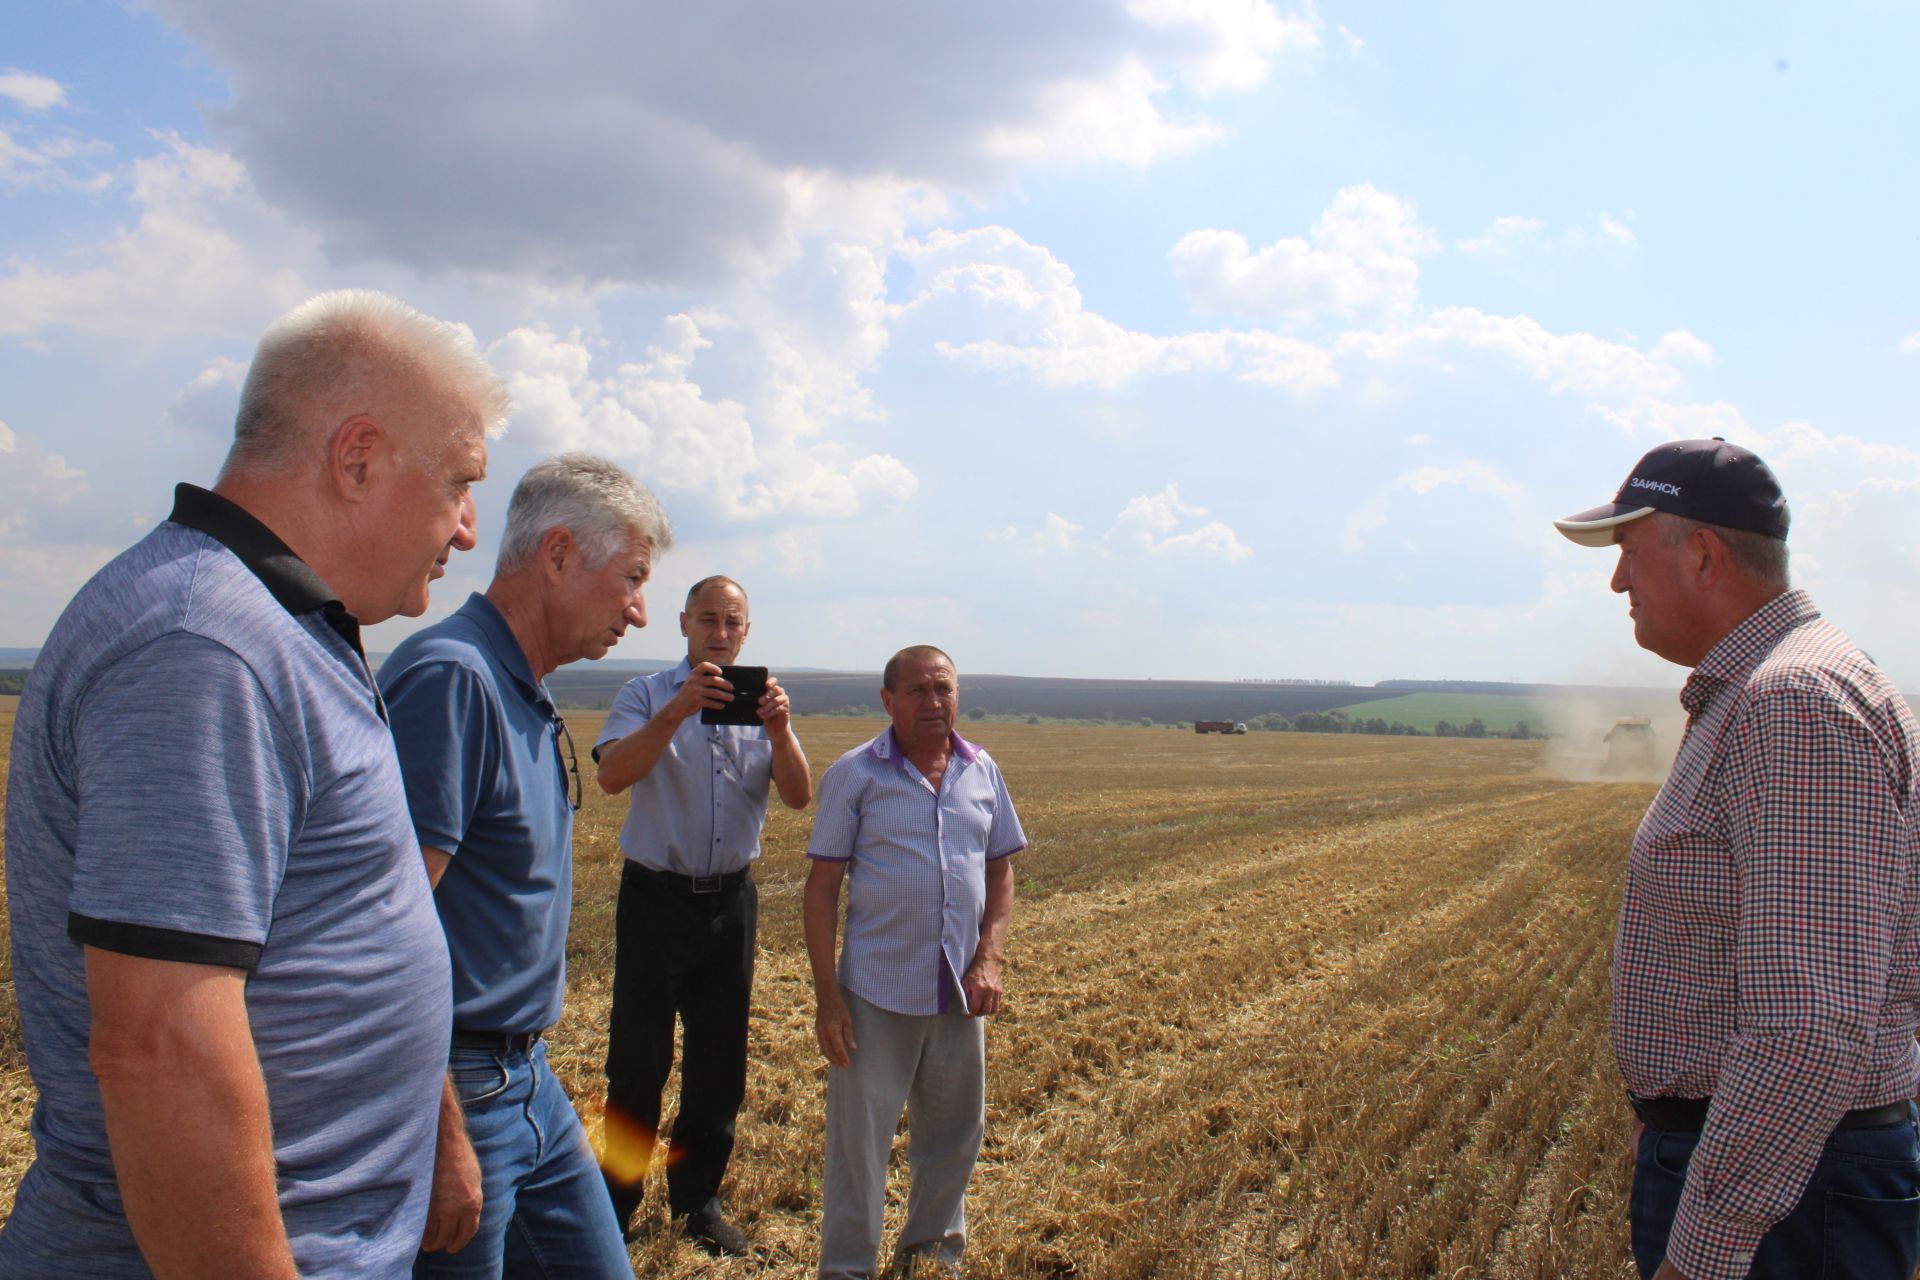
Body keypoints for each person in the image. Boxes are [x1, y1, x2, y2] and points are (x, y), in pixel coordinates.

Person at [0, 290, 505, 1277]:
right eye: (458, 481)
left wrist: (428, 1129)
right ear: (357, 458)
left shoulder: (290, 627)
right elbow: (159, 1046)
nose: (468, 527)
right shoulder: (204, 644)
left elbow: (356, 909)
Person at [1555, 437, 1920, 1280]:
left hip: (1795, 1202)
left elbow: (1809, 1025)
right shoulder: (1770, 690)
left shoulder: (1792, 707)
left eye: (1628, 555)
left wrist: (1707, 1249)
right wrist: (1669, 1115)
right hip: (1780, 1167)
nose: (1617, 583)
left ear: (1704, 555)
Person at [379, 454, 673, 1276]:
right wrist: (438, 1131)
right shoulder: (454, 679)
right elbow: (382, 935)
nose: (641, 613)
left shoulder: (522, 686)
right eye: (632, 579)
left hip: (524, 1075)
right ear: (557, 555)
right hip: (457, 1084)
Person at [595, 575, 812, 1254]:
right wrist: (676, 713)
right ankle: (614, 1207)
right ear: (684, 624)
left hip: (729, 903)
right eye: (708, 620)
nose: (720, 632)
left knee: (719, 1064)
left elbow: (800, 797)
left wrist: (780, 731)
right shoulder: (647, 695)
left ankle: (697, 1202)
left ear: (746, 631)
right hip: (655, 898)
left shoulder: (761, 706)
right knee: (638, 1062)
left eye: (733, 622)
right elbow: (611, 775)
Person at [802, 645, 1026, 1280]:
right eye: (918, 691)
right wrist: (828, 997)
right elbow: (820, 890)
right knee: (859, 1149)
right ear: (888, 701)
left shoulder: (982, 770)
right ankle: (847, 1269)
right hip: (875, 991)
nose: (933, 702)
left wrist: (991, 957)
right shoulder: (856, 774)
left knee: (954, 1139)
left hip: (960, 991)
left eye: (944, 689)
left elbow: (1001, 871)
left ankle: (931, 1258)